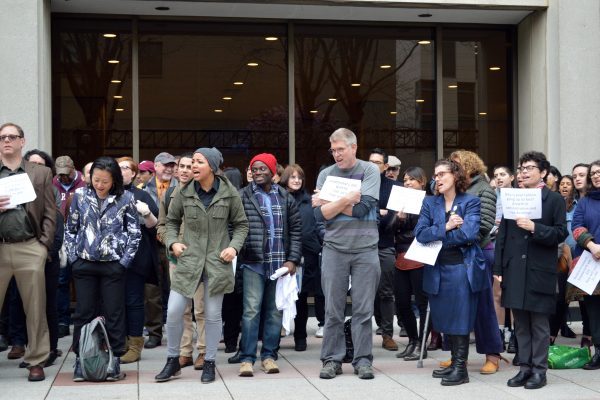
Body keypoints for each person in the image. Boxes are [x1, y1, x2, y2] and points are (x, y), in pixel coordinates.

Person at [155, 147, 248, 383]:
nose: (193, 166)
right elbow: (171, 222)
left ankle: (209, 361)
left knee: (213, 313)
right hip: (188, 261)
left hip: (217, 262)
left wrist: (233, 247)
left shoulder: (230, 194)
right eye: (192, 161)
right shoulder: (182, 192)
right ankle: (173, 360)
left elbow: (241, 225)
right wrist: (173, 242)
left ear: (213, 167)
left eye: (199, 162)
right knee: (175, 311)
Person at [494, 151, 567, 390]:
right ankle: (524, 368)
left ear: (543, 172)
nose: (524, 172)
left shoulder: (554, 200)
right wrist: (499, 267)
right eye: (522, 168)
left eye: (530, 168)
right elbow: (503, 236)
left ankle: (539, 370)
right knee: (521, 324)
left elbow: (560, 233)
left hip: (539, 270)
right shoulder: (512, 197)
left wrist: (535, 228)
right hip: (514, 269)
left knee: (538, 323)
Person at [312, 128, 381, 380]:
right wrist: (346, 199)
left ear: (353, 147)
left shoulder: (370, 170)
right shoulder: (325, 174)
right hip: (334, 250)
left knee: (363, 310)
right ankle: (331, 360)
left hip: (365, 250)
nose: (336, 154)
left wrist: (330, 202)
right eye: (333, 150)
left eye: (341, 149)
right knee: (333, 310)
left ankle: (363, 360)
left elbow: (364, 208)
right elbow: (319, 215)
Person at [65, 156, 141, 382]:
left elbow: (134, 233)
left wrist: (124, 262)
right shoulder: (79, 196)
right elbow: (71, 229)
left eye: (105, 181)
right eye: (96, 180)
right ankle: (80, 360)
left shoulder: (126, 198)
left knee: (115, 313)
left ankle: (114, 360)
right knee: (83, 312)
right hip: (84, 263)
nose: (99, 185)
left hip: (113, 265)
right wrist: (74, 259)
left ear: (114, 180)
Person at [414, 159, 485, 386]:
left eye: (443, 173)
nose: (438, 178)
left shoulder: (471, 201)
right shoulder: (430, 203)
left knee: (460, 318)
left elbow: (470, 234)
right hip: (437, 269)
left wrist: (440, 237)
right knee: (444, 318)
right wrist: (446, 227)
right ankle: (454, 362)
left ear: (456, 176)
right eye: (436, 174)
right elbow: (420, 235)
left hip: (461, 269)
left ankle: (461, 369)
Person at [0, 123, 57, 382]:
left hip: (29, 246)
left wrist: (42, 245)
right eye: (2, 137)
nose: (7, 141)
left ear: (22, 141)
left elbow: (49, 212)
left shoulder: (40, 172)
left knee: (35, 308)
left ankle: (36, 360)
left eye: (12, 137)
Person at [237, 153, 302, 377]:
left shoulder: (285, 197)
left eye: (262, 169)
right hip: (253, 263)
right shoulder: (242, 196)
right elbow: (233, 227)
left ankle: (269, 357)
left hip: (279, 264)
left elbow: (295, 231)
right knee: (251, 311)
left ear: (273, 172)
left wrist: (292, 259)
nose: (257, 173)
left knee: (274, 312)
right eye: (254, 169)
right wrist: (242, 250)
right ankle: (246, 359)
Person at [449, 150, 505, 374]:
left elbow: (483, 225)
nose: (452, 169)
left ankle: (493, 355)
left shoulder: (484, 189)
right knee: (456, 308)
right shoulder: (457, 189)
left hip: (478, 254)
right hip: (455, 254)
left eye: (455, 164)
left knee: (483, 307)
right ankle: (456, 358)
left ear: (468, 165)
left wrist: (454, 231)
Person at [156, 153, 208, 370]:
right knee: (181, 309)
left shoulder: (204, 193)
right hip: (176, 260)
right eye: (181, 166)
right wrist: (171, 243)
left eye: (190, 166)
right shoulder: (168, 194)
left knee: (201, 309)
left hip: (201, 261)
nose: (185, 170)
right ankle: (185, 352)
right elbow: (161, 225)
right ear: (176, 170)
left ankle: (204, 352)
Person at [116, 157, 160, 364]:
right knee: (115, 301)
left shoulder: (141, 194)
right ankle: (119, 341)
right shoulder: (107, 193)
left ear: (134, 173)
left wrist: (147, 212)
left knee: (133, 300)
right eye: (118, 168)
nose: (121, 171)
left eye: (126, 168)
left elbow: (155, 225)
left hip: (136, 256)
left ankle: (135, 344)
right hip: (111, 257)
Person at [280, 164, 325, 351]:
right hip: (282, 256)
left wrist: (315, 246)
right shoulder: (278, 199)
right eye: (293, 177)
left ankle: (300, 337)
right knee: (278, 298)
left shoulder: (310, 201)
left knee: (302, 297)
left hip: (307, 256)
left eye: (300, 177)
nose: (297, 180)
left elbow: (316, 225)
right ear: (285, 179)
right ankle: (274, 336)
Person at [393, 166, 430, 361]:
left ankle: (422, 344)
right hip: (401, 255)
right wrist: (398, 219)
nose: (407, 183)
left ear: (421, 182)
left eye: (412, 180)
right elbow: (390, 229)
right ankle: (412, 340)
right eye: (405, 180)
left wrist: (404, 226)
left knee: (422, 303)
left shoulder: (428, 202)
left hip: (420, 255)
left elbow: (421, 231)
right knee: (401, 302)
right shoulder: (400, 201)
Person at [143, 152, 177, 349]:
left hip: (173, 246)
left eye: (172, 165)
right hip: (151, 246)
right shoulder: (143, 189)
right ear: (155, 166)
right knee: (152, 291)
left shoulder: (181, 187)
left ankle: (176, 331)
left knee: (176, 289)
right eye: (165, 165)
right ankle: (154, 332)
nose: (169, 168)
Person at [368, 148, 400, 351]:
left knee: (386, 291)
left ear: (386, 166)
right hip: (362, 244)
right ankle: (375, 328)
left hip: (385, 245)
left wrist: (378, 215)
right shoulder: (361, 184)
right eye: (369, 161)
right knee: (366, 292)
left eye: (377, 162)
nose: (372, 166)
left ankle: (388, 334)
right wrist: (379, 213)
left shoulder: (395, 187)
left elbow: (392, 221)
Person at [53, 155, 87, 339]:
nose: (63, 178)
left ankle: (83, 320)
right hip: (60, 240)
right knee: (61, 281)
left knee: (82, 281)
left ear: (73, 169)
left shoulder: (84, 184)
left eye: (66, 174)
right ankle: (62, 321)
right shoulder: (52, 184)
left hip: (81, 240)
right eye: (60, 174)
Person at [570, 160, 600, 369]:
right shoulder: (585, 201)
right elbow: (577, 226)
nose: (596, 176)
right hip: (592, 261)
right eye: (594, 174)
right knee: (594, 311)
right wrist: (592, 245)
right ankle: (599, 352)